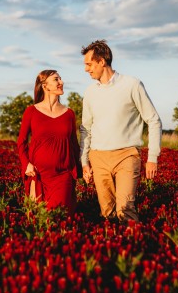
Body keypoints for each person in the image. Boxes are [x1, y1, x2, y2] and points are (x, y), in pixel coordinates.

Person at [79, 40, 162, 221]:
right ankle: (113, 247)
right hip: (98, 157)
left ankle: (133, 247)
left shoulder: (132, 84)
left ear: (102, 61)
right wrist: (84, 160)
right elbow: (86, 129)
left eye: (89, 64)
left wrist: (152, 158)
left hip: (127, 155)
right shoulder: (90, 92)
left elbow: (153, 120)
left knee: (125, 210)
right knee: (107, 213)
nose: (86, 69)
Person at [17, 69, 82, 214]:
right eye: (56, 79)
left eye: (60, 79)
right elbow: (21, 142)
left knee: (59, 218)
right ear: (45, 86)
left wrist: (83, 167)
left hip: (63, 175)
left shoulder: (69, 114)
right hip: (38, 174)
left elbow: (74, 145)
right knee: (37, 218)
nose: (61, 82)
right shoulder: (31, 112)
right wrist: (26, 164)